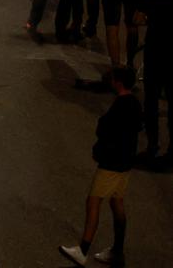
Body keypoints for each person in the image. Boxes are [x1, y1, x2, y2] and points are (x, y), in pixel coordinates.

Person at [59, 67, 142, 267]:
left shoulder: (120, 105)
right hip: (126, 163)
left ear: (118, 82)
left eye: (113, 79)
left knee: (93, 201)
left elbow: (106, 129)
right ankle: (117, 251)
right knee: (116, 202)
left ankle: (83, 250)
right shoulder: (135, 103)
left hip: (112, 163)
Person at [139, 0, 173, 167]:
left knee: (151, 101)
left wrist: (149, 18)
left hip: (155, 54)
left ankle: (152, 146)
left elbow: (136, 18)